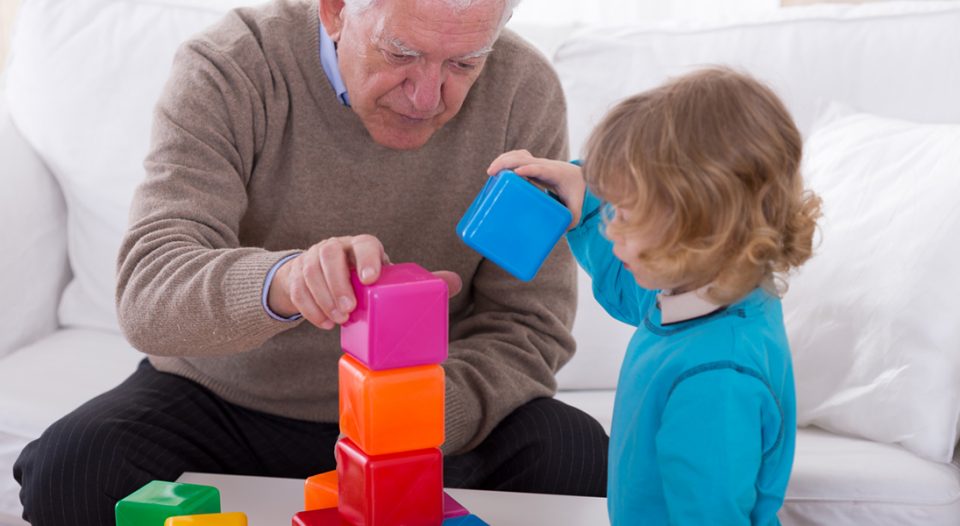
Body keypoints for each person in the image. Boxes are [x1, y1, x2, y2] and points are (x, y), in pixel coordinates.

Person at [13, 0, 609, 523]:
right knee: (74, 470)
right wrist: (286, 283)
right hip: (227, 403)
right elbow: (150, 295)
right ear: (334, 10)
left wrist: (405, 419)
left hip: (426, 416)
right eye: (401, 52)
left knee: (578, 455)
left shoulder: (523, 88)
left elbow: (527, 326)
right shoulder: (231, 67)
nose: (428, 97)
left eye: (464, 64)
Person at [489, 67, 822, 525]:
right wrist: (585, 201)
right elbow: (632, 291)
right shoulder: (718, 291)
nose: (610, 226)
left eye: (625, 214)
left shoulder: (715, 379)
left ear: (701, 224)